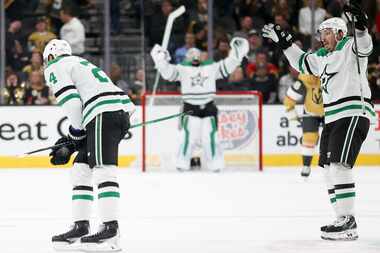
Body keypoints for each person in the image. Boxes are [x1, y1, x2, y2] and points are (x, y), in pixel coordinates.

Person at [263, 0, 374, 240]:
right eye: (320, 33)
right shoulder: (321, 58)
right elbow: (301, 61)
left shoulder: (350, 47)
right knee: (327, 169)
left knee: (339, 167)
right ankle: (341, 219)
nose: (322, 37)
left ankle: (348, 221)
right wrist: (284, 42)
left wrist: (362, 26)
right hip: (333, 117)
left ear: (340, 33)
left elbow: (366, 46)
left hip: (352, 112)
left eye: (326, 33)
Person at [43, 39, 135, 251]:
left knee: (104, 170)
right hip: (110, 112)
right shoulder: (79, 63)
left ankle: (110, 232)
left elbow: (73, 103)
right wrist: (77, 137)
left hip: (101, 114)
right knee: (81, 169)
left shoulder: (55, 66)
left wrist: (75, 134)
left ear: (50, 56)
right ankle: (81, 227)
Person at [150, 37, 249, 172]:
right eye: (191, 54)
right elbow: (167, 73)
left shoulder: (210, 67)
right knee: (188, 137)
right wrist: (161, 60)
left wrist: (237, 53)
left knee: (211, 138)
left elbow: (228, 65)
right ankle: (182, 162)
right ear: (186, 57)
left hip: (208, 106)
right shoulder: (182, 69)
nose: (194, 56)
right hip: (190, 107)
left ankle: (215, 163)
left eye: (197, 54)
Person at [283, 73, 323, 177]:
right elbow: (289, 99)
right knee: (309, 138)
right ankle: (306, 165)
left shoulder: (333, 76)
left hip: (330, 112)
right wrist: (291, 113)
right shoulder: (304, 80)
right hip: (310, 111)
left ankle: (330, 164)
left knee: (332, 139)